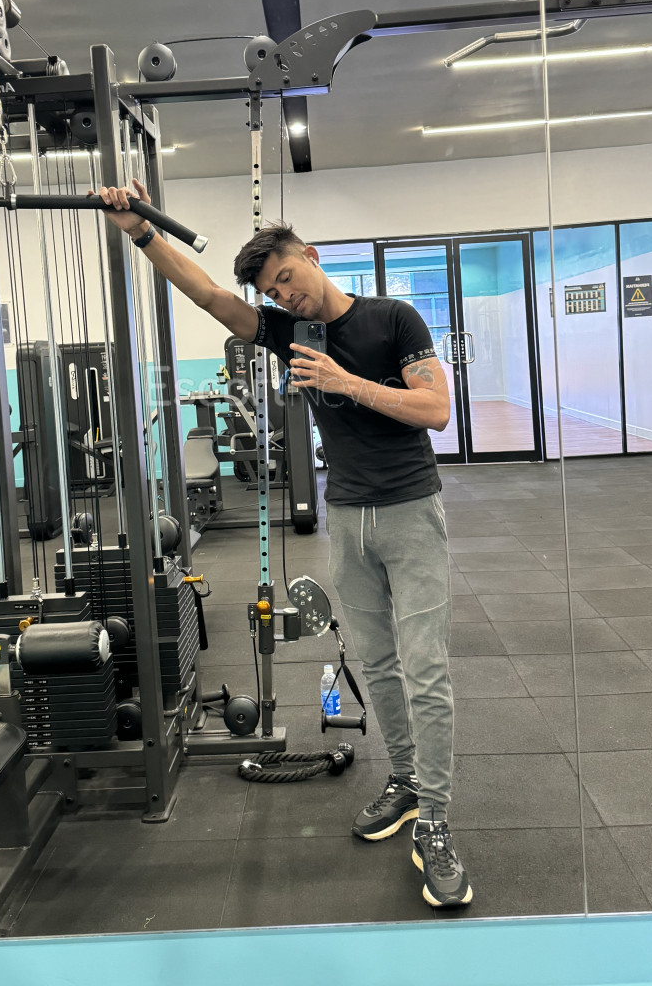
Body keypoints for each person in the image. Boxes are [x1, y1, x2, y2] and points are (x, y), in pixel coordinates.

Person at [99, 178, 472, 909]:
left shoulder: (393, 318)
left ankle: (436, 818)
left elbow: (436, 410)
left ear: (312, 255)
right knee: (378, 663)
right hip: (348, 516)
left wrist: (344, 380)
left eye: (288, 277)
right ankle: (404, 780)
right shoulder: (286, 331)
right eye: (273, 290)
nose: (286, 294)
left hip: (409, 511)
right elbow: (208, 294)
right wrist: (139, 232)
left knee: (426, 669)